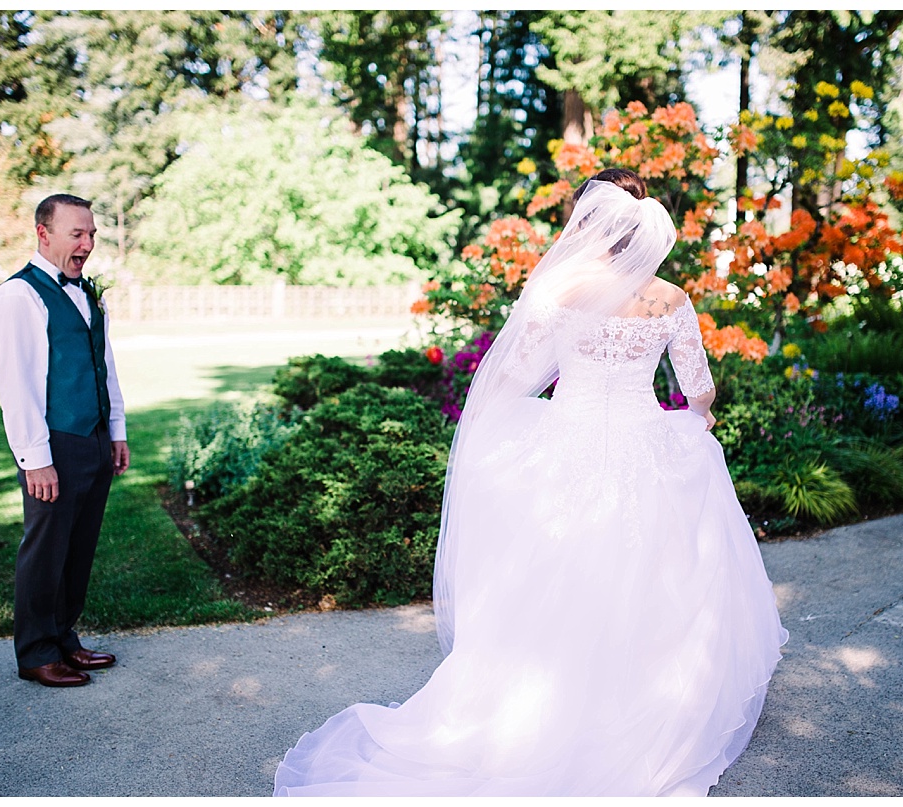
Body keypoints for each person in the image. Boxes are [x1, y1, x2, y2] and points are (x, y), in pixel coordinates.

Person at [273, 169, 788, 796]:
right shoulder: (670, 299)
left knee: (555, 572)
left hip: (564, 445)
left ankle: (536, 707)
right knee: (649, 572)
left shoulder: (561, 287)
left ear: (589, 220)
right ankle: (639, 704)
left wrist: (493, 425)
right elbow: (698, 389)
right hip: (644, 445)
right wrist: (696, 418)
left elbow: (518, 372)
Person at [0, 193, 129, 688]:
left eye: (91, 234)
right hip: (54, 443)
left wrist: (116, 431)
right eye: (77, 234)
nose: (87, 243)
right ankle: (36, 652)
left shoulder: (89, 293)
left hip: (92, 438)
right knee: (45, 548)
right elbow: (15, 383)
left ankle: (65, 639)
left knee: (79, 546)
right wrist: (35, 459)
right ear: (44, 234)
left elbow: (104, 365)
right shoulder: (16, 297)